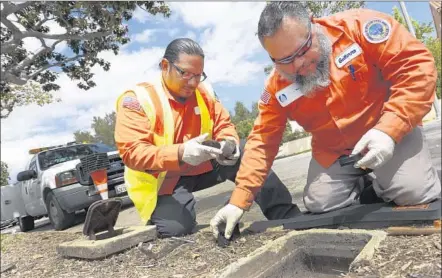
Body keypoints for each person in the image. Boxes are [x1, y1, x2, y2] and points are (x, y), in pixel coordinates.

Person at [210, 2, 441, 237]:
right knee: (320, 204)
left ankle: (400, 175)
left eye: (302, 50)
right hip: (335, 152)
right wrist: (238, 202)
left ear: (312, 22)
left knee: (413, 193)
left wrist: (389, 130)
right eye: (284, 60)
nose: (297, 65)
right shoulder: (277, 88)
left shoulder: (359, 27)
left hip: (390, 133)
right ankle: (372, 182)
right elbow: (261, 142)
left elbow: (416, 68)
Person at [114, 38, 300, 238]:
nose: (193, 82)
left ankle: (288, 217)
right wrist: (181, 152)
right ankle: (169, 216)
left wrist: (230, 142)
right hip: (165, 179)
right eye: (185, 73)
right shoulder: (138, 99)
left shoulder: (204, 92)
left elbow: (224, 124)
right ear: (165, 66)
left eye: (198, 75)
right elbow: (132, 152)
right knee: (176, 230)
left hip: (205, 165)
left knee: (249, 153)